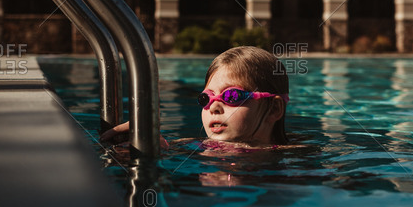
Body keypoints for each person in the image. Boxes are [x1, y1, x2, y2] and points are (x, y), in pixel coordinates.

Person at [100, 46, 290, 149]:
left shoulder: (295, 160)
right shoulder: (193, 145)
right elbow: (163, 147)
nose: (214, 107)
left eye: (232, 96)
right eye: (206, 99)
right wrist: (147, 141)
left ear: (274, 109)